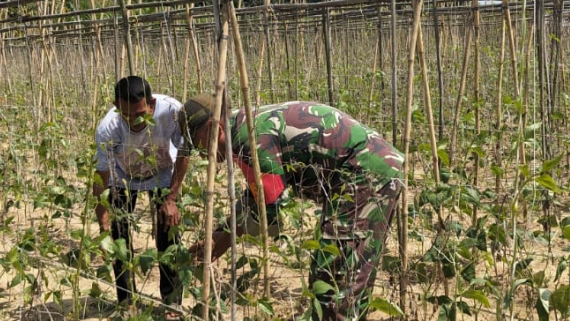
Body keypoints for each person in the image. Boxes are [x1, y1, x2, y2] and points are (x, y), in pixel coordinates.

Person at [179, 94, 404, 321]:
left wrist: (227, 237)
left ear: (213, 127)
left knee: (336, 277)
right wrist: (224, 232)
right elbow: (258, 193)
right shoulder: (241, 125)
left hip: (366, 172)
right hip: (365, 169)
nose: (199, 153)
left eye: (196, 142)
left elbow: (272, 210)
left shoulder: (248, 140)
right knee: (344, 273)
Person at [93, 76, 190, 315]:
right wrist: (103, 225)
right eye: (126, 114)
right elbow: (102, 176)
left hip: (162, 175)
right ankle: (127, 301)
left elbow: (184, 152)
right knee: (120, 239)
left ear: (151, 103)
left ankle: (172, 301)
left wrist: (172, 199)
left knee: (168, 234)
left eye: (140, 114)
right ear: (116, 106)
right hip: (123, 177)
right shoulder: (108, 128)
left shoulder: (172, 112)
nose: (134, 121)